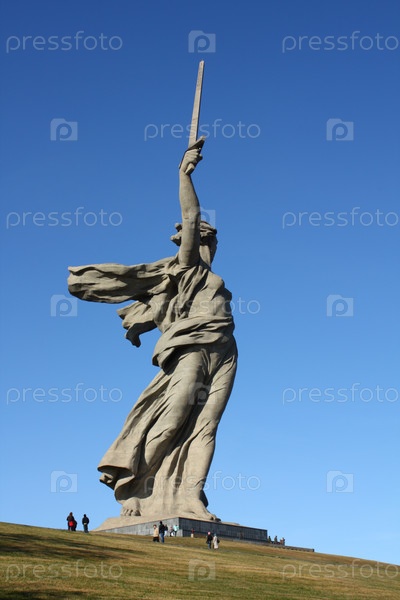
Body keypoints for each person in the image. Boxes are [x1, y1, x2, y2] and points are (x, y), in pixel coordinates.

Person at [68, 139, 237, 521]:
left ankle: (191, 496)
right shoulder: (187, 267)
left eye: (212, 240)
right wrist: (184, 174)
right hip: (191, 348)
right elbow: (191, 216)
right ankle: (135, 487)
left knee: (207, 426)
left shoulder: (210, 275)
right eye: (204, 239)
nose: (209, 245)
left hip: (225, 349)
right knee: (173, 419)